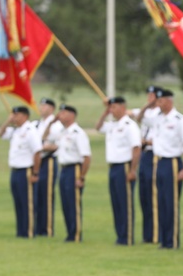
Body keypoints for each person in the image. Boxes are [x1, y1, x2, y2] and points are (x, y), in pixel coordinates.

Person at [150, 89, 183, 249]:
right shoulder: (157, 119)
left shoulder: (180, 120)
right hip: (159, 162)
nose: (157, 104)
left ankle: (172, 240)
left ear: (168, 101)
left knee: (171, 203)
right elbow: (140, 118)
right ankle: (164, 239)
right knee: (161, 202)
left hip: (173, 162)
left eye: (160, 101)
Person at [96, 96, 141, 245]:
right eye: (110, 107)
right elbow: (98, 127)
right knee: (116, 203)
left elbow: (136, 148)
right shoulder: (112, 125)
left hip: (125, 167)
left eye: (114, 107)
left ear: (122, 107)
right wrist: (104, 112)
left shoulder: (129, 125)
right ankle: (120, 235)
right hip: (113, 167)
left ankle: (127, 236)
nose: (111, 110)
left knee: (125, 203)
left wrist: (133, 170)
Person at [47, 104, 91, 243]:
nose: (60, 115)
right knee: (65, 203)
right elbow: (44, 137)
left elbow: (87, 157)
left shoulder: (78, 133)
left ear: (72, 115)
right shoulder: (63, 132)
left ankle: (76, 234)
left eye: (63, 113)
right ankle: (69, 233)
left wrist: (81, 177)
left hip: (74, 169)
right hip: (64, 169)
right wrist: (51, 122)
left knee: (73, 203)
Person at [0, 105, 43, 238]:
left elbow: (37, 152)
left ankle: (29, 231)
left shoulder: (30, 131)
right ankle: (21, 231)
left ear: (25, 116)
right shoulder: (15, 131)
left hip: (26, 170)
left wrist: (35, 172)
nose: (14, 117)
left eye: (16, 115)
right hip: (15, 170)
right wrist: (8, 121)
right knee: (18, 201)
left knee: (27, 203)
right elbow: (1, 133)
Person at [132, 85, 160, 243]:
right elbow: (137, 116)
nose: (149, 98)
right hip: (144, 155)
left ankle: (156, 233)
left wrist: (146, 141)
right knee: (144, 196)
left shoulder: (159, 114)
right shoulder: (147, 111)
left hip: (153, 153)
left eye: (152, 96)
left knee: (153, 195)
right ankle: (147, 234)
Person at [34, 97, 59, 237]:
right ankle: (39, 227)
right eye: (41, 105)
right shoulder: (37, 124)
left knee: (47, 196)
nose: (41, 108)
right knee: (38, 195)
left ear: (51, 108)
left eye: (44, 106)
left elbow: (57, 142)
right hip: (38, 161)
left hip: (48, 160)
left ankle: (47, 229)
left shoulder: (57, 124)